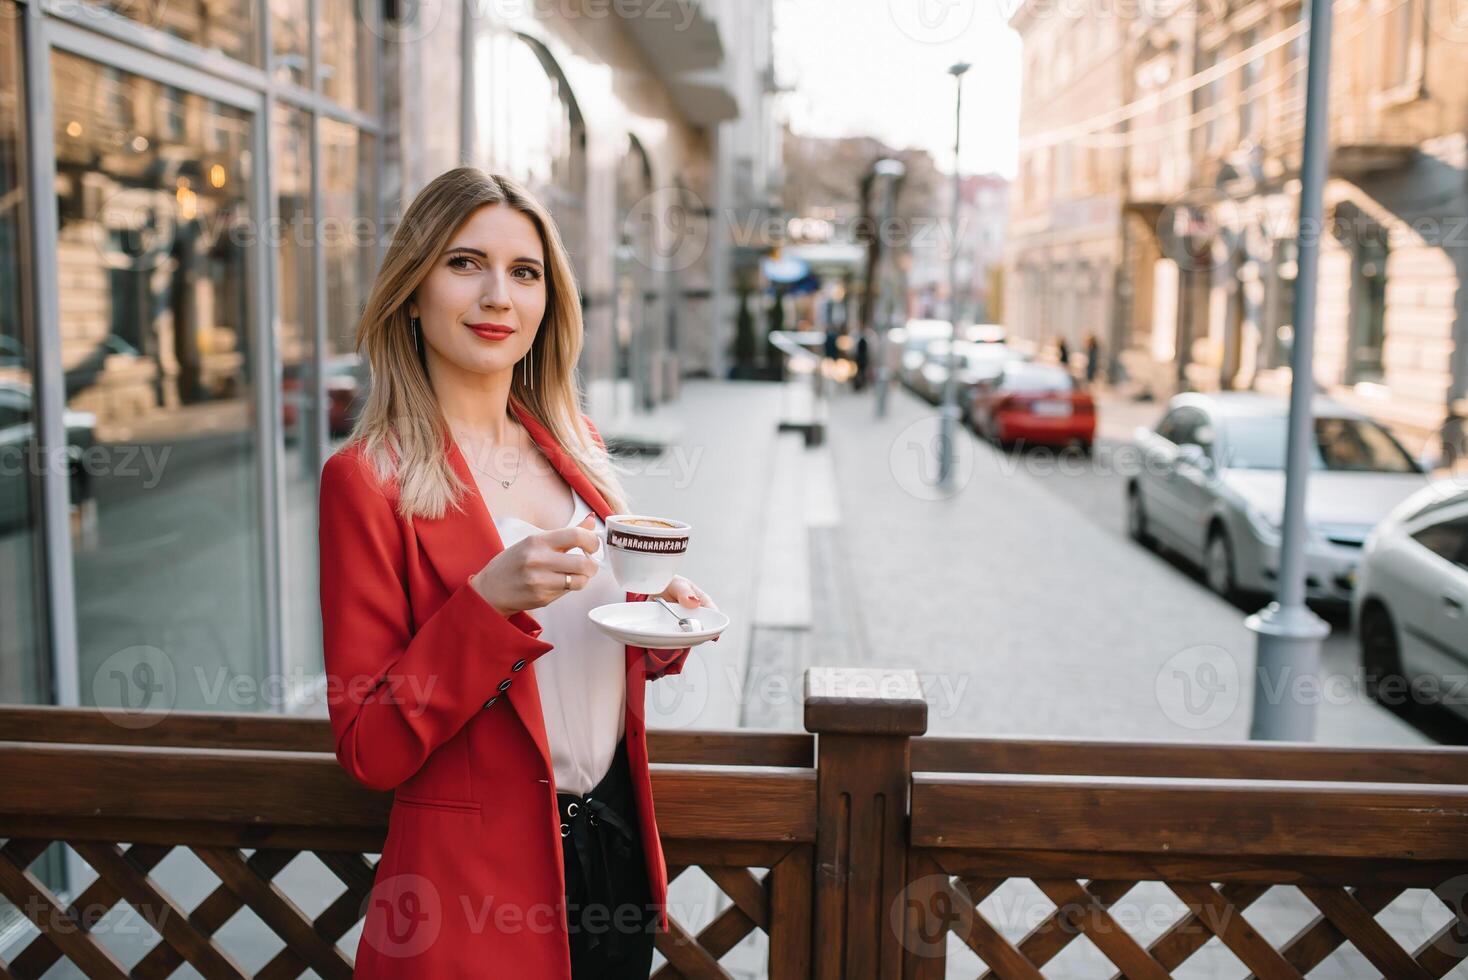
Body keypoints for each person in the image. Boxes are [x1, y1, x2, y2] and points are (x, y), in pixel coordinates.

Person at [318, 168, 718, 979]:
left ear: (548, 302)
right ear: (412, 289)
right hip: (474, 896)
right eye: (465, 263)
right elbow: (368, 747)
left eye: (525, 272)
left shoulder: (577, 452)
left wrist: (662, 626)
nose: (499, 295)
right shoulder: (368, 479)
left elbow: (581, 658)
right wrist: (485, 606)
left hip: (614, 859)